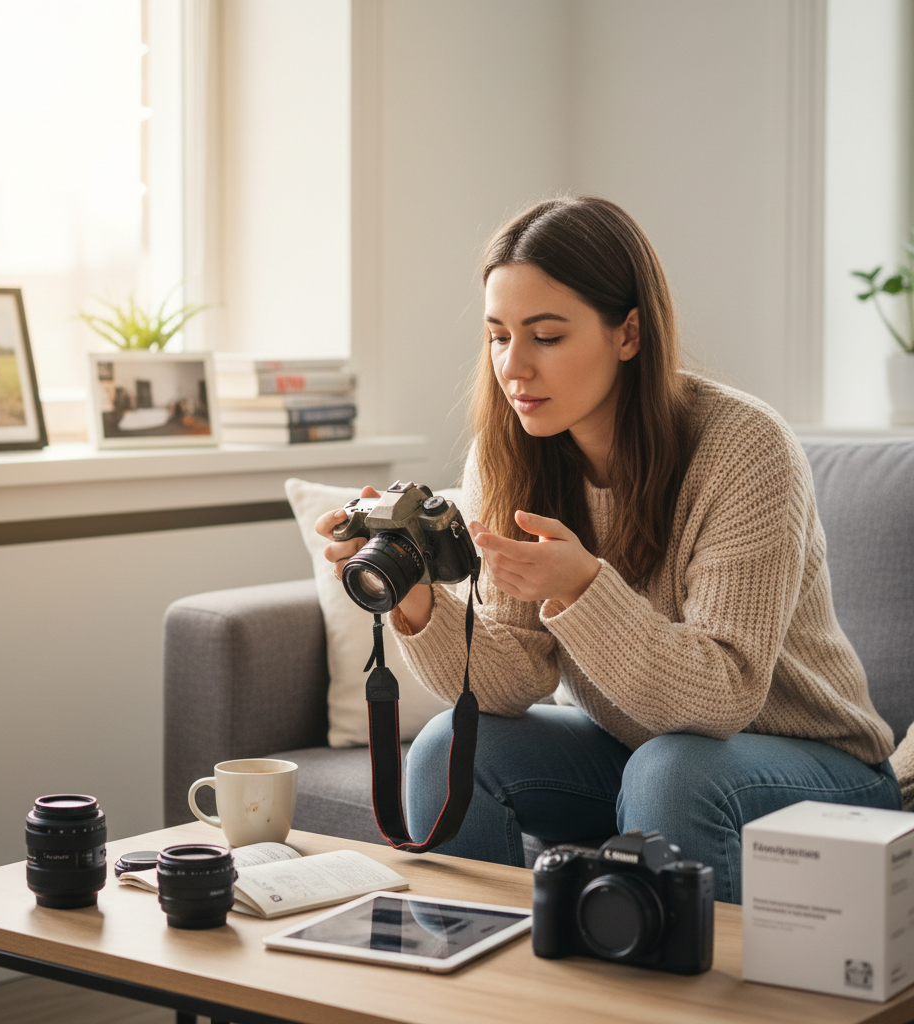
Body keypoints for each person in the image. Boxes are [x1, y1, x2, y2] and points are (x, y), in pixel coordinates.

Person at [316, 196, 900, 904]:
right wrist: (416, 601)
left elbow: (723, 696)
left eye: (546, 337)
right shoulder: (507, 456)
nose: (513, 368)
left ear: (628, 333)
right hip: (639, 750)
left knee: (672, 772)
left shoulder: (744, 448)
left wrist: (583, 589)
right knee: (447, 750)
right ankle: (481, 967)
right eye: (498, 336)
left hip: (817, 765)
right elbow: (513, 680)